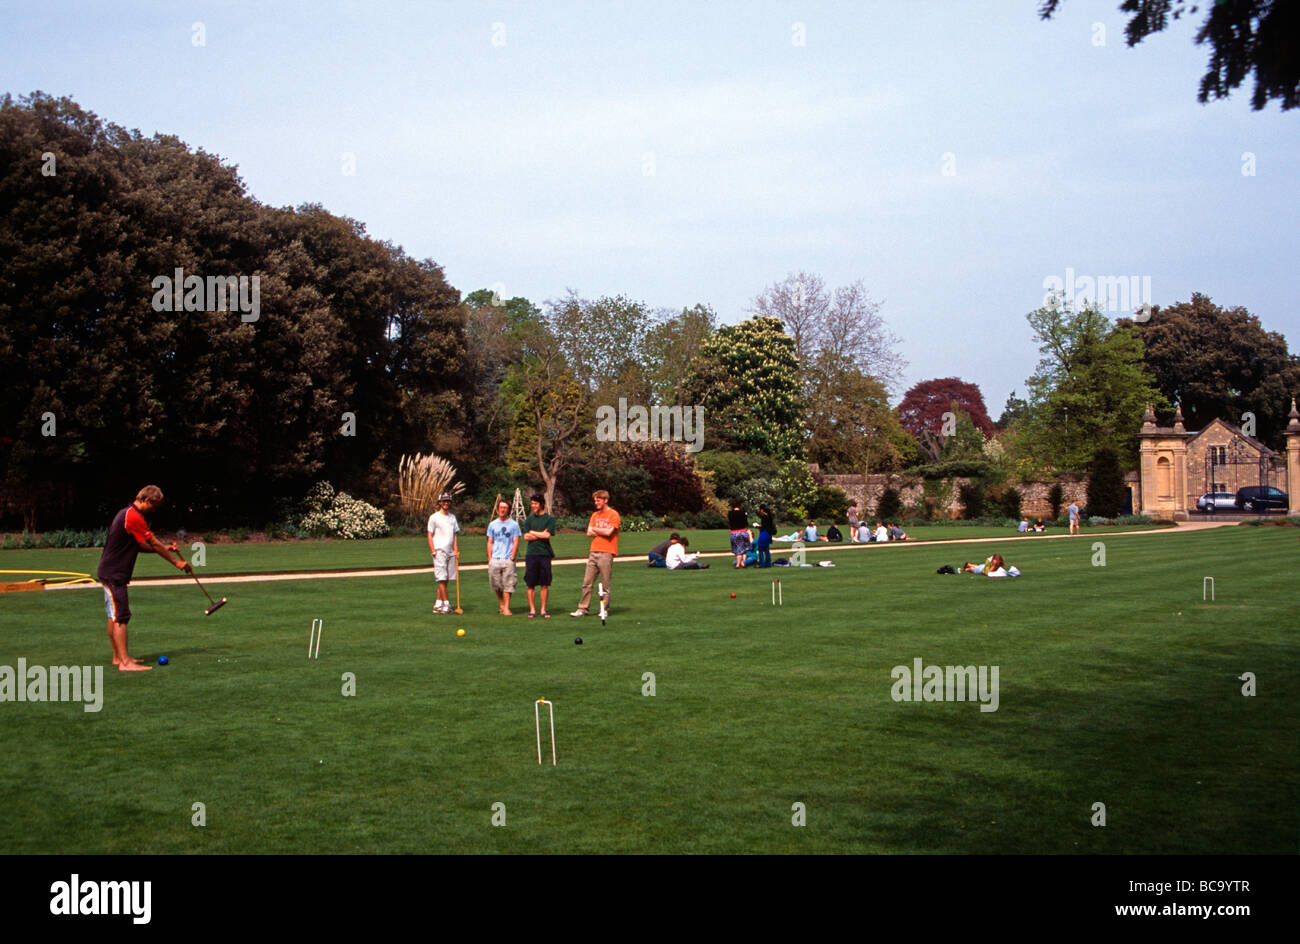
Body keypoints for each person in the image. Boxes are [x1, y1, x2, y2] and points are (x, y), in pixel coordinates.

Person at [96, 485, 191, 671]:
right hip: (114, 574)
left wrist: (165, 548)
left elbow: (138, 546)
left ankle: (118, 657)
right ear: (147, 500)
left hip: (111, 571)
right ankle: (125, 663)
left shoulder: (127, 514)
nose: (154, 511)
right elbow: (153, 543)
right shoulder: (133, 516)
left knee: (113, 615)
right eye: (154, 506)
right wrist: (176, 562)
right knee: (121, 616)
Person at [571, 490, 620, 618]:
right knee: (587, 582)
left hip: (607, 552)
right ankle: (583, 609)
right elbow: (588, 532)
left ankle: (604, 609)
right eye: (595, 500)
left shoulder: (613, 514)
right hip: (593, 551)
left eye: (598, 500)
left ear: (605, 500)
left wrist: (596, 530)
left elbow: (609, 532)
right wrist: (600, 531)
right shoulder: (594, 515)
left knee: (605, 584)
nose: (596, 503)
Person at [522, 494, 556, 617]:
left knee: (544, 583)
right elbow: (526, 536)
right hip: (531, 554)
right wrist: (540, 533)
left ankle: (543, 610)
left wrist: (533, 532)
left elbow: (547, 535)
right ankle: (532, 610)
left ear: (541, 504)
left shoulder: (549, 519)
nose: (533, 506)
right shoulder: (529, 519)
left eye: (535, 503)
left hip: (545, 554)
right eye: (532, 503)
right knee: (530, 584)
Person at [485, 499, 522, 616]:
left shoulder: (514, 525)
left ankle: (506, 607)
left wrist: (512, 556)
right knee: (497, 584)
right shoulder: (492, 525)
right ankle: (501, 604)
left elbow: (516, 541)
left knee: (508, 584)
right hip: (495, 559)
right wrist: (490, 558)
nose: (502, 509)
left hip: (507, 559)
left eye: (505, 508)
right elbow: (490, 541)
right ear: (498, 509)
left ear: (508, 510)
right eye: (501, 507)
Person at [427, 492, 460, 614]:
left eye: (448, 501)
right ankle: (446, 604)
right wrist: (433, 550)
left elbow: (454, 535)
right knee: (441, 578)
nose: (446, 503)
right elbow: (429, 535)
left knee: (446, 579)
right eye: (444, 501)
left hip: (450, 552)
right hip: (439, 551)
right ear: (440, 502)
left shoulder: (452, 517)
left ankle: (437, 604)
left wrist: (456, 550)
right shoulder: (434, 517)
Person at [728, 500, 752, 568]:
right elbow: (746, 523)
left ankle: (739, 564)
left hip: (733, 533)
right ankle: (741, 563)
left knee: (737, 549)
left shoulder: (730, 513)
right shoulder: (743, 513)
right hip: (742, 532)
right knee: (743, 548)